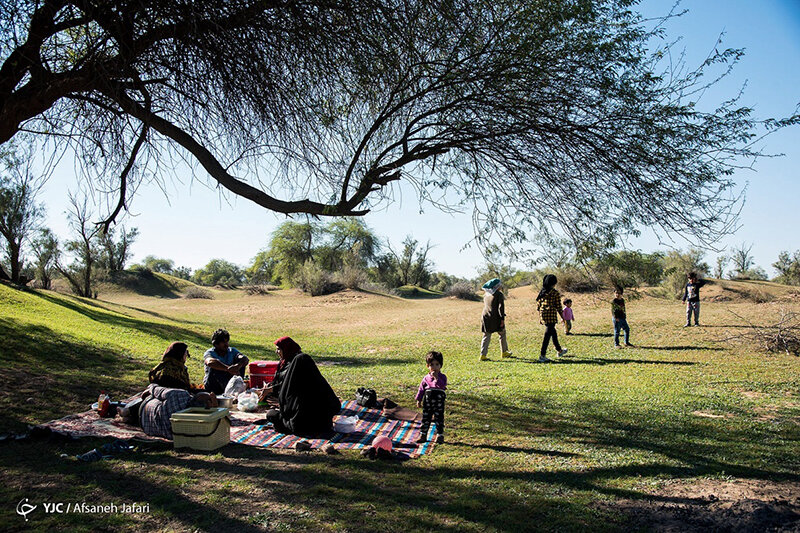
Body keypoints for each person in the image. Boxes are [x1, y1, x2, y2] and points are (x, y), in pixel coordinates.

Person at [259, 336, 341, 436]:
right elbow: (335, 406)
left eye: (279, 349)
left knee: (271, 414)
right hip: (323, 426)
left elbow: (287, 408)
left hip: (299, 426)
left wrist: (280, 401)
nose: (277, 352)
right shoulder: (320, 385)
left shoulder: (293, 373)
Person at [139, 384, 218, 439]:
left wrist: (151, 387)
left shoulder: (181, 396)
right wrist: (215, 413)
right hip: (147, 427)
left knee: (158, 397)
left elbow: (158, 391)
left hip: (146, 409)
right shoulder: (199, 429)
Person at [203, 329, 249, 394]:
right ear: (216, 344)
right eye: (223, 342)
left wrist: (238, 365)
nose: (226, 345)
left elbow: (244, 359)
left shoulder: (232, 351)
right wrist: (227, 369)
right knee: (214, 367)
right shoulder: (210, 352)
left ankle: (236, 389)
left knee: (241, 362)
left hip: (229, 382)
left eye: (227, 342)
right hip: (213, 385)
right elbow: (210, 362)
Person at [415, 350, 447, 444]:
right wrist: (419, 399)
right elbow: (421, 389)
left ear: (441, 365)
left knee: (439, 417)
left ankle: (440, 435)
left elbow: (442, 386)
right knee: (426, 417)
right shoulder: (426, 378)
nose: (434, 367)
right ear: (428, 366)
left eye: (437, 364)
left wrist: (436, 378)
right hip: (428, 401)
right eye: (432, 365)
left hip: (439, 401)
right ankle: (423, 434)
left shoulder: (443, 377)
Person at [536, 274, 568, 362]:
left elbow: (538, 305)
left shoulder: (542, 292)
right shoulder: (555, 293)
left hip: (543, 315)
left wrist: (540, 317)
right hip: (551, 315)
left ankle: (559, 350)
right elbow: (558, 307)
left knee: (553, 332)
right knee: (548, 334)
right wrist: (563, 317)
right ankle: (542, 355)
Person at [480, 278, 512, 360]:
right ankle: (504, 352)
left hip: (485, 316)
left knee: (486, 335)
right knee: (502, 333)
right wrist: (502, 319)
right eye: (500, 284)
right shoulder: (499, 294)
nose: (501, 285)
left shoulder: (486, 294)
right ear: (497, 286)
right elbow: (501, 307)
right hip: (495, 317)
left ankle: (483, 355)